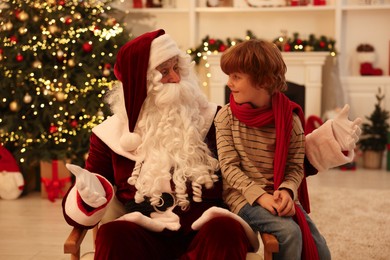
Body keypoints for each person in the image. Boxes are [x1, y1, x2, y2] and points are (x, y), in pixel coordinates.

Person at [62, 30, 360, 260]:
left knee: (227, 230)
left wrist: (328, 141)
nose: (176, 78)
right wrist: (87, 193)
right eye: (164, 72)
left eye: (176, 67)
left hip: (205, 224)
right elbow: (90, 189)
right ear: (142, 83)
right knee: (114, 235)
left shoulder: (215, 118)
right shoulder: (109, 135)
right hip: (143, 226)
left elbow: (268, 156)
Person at [214, 39, 361, 260]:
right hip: (243, 196)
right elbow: (229, 168)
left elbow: (295, 165)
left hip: (280, 194)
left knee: (321, 252)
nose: (229, 83)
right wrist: (261, 197)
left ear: (262, 82)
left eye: (236, 77)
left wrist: (288, 191)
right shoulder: (225, 117)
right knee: (289, 233)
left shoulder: (289, 119)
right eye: (229, 76)